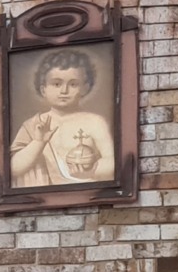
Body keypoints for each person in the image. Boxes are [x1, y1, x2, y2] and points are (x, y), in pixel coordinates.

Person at [9, 49, 116, 190]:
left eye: (73, 84)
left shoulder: (95, 122)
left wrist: (89, 172)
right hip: (43, 198)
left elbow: (112, 161)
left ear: (85, 88)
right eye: (56, 84)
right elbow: (13, 169)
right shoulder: (33, 125)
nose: (64, 91)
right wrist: (38, 142)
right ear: (43, 89)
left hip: (86, 192)